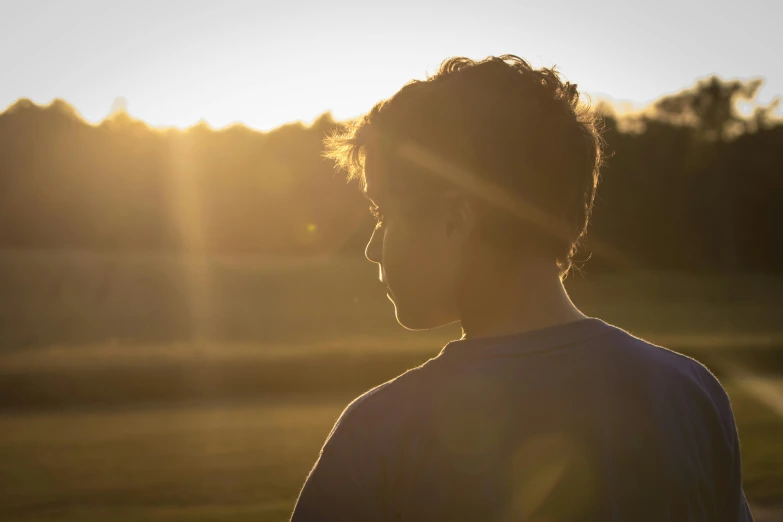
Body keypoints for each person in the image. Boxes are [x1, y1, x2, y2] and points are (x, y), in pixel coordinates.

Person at [290, 55, 753, 521]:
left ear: (455, 220)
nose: (371, 248)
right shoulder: (690, 395)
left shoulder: (380, 434)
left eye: (383, 215)